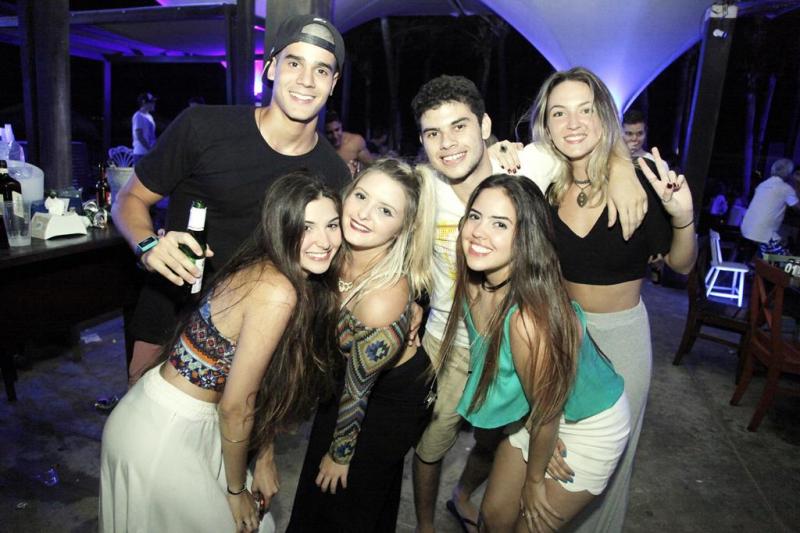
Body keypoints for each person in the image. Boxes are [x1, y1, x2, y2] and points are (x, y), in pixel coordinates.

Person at [409, 74, 648, 533]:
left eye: (460, 126)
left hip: (530, 352)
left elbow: (586, 138)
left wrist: (622, 167)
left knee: (497, 450)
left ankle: (465, 495)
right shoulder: (424, 188)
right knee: (437, 446)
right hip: (455, 346)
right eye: (433, 133)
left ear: (485, 126)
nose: (448, 143)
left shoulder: (530, 165)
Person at [113, 14, 350, 389]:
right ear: (270, 68)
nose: (306, 80)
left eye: (321, 70)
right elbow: (129, 199)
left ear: (333, 83)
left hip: (262, 338)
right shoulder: (203, 127)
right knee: (150, 421)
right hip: (173, 317)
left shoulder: (334, 173)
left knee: (240, 427)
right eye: (294, 63)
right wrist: (148, 246)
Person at [100, 171, 343, 533]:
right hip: (165, 432)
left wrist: (264, 456)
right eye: (306, 227)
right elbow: (236, 405)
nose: (324, 241)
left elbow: (261, 386)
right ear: (281, 227)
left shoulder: (272, 268)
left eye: (332, 225)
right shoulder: (277, 291)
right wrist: (236, 489)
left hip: (177, 418)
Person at [520, 66, 696, 532]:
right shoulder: (544, 185)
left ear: (604, 117)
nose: (573, 123)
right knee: (553, 457)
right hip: (561, 334)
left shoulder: (638, 181)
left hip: (621, 341)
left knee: (609, 467)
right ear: (546, 125)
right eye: (559, 113)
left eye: (585, 110)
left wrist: (683, 217)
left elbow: (681, 264)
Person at [439, 174, 630, 532]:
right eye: (475, 216)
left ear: (527, 237)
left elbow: (548, 411)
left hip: (588, 423)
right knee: (493, 518)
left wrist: (534, 481)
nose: (479, 232)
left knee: (529, 525)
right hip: (539, 412)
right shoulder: (475, 282)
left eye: (500, 224)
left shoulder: (530, 319)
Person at [286, 158, 436, 532]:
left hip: (390, 399)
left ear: (404, 227)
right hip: (347, 379)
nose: (364, 215)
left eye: (385, 210)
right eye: (361, 196)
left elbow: (357, 392)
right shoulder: (333, 250)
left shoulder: (382, 298)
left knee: (345, 496)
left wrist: (340, 456)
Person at [740, 158, 798, 256]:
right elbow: (797, 207)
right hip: (764, 233)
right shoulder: (785, 188)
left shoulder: (763, 185)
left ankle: (758, 262)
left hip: (747, 229)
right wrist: (796, 184)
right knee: (789, 262)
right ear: (789, 174)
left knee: (771, 251)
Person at [325, 110, 376, 175]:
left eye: (337, 130)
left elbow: (371, 166)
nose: (335, 136)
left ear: (341, 126)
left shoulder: (355, 142)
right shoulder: (322, 148)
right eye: (329, 133)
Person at [132, 92, 157, 164]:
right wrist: (149, 149)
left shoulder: (150, 117)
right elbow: (139, 136)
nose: (154, 104)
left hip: (148, 153)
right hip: (141, 153)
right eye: (151, 102)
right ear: (144, 102)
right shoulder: (138, 116)